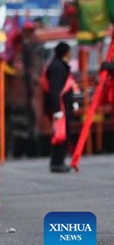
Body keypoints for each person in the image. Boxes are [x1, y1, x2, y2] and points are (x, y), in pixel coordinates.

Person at [44, 42, 74, 173]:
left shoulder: (59, 65)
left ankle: (57, 162)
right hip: (60, 108)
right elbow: (55, 90)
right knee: (61, 136)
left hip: (62, 107)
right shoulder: (57, 68)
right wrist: (57, 110)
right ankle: (58, 162)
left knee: (62, 135)